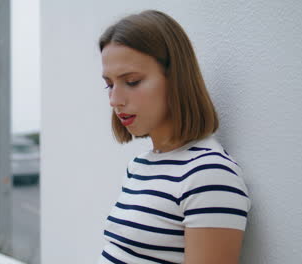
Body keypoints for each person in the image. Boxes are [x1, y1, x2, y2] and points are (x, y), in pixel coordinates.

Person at [98, 10, 251, 264]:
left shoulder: (209, 174)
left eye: (132, 81)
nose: (115, 100)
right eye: (109, 84)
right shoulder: (139, 166)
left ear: (176, 78)